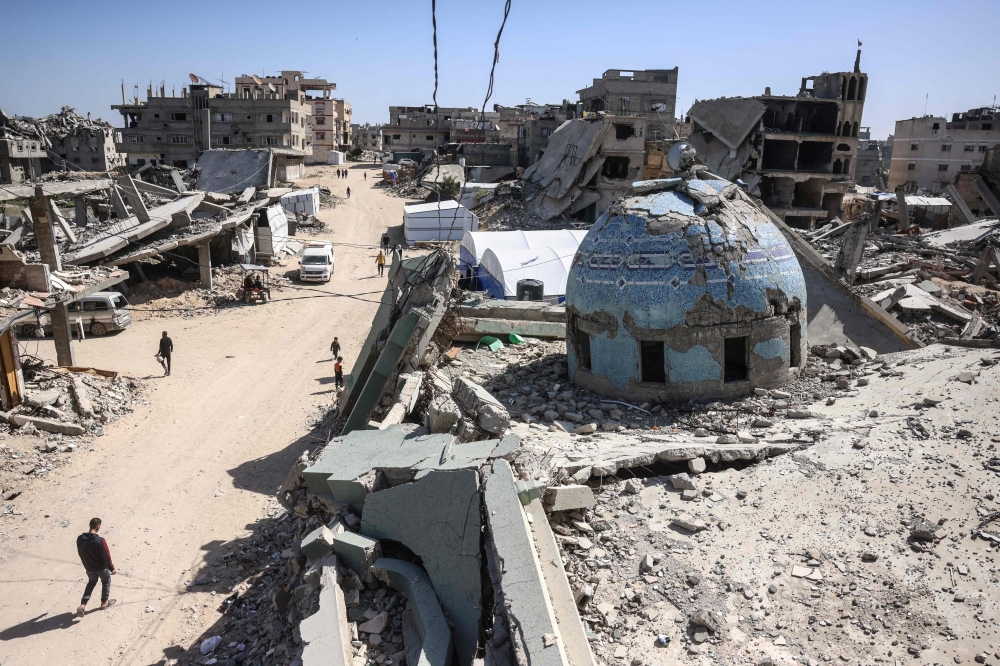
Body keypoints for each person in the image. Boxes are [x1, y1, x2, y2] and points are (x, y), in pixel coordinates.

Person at [76, 517, 116, 616]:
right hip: (101, 568)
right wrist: (112, 568)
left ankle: (83, 605)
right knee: (106, 581)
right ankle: (104, 602)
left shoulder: (80, 539)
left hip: (89, 568)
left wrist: (86, 564)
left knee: (91, 583)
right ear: (98, 526)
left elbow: (80, 553)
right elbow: (106, 556)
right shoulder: (99, 541)